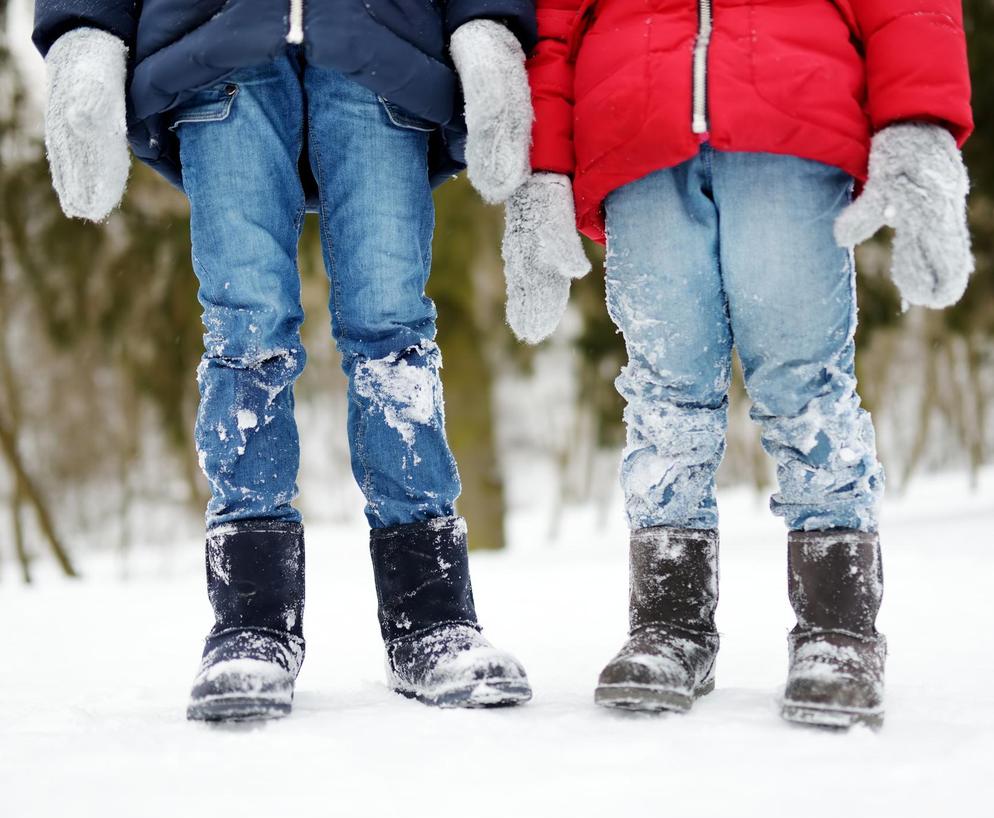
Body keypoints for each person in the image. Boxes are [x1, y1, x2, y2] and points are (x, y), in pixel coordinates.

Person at [32, 0, 538, 721]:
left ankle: (433, 621)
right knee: (246, 334)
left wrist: (487, 25)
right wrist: (86, 30)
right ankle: (251, 624)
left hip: (383, 43)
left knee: (391, 331)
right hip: (215, 45)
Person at [502, 0, 974, 728]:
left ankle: (838, 627)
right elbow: (552, 25)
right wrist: (542, 172)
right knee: (665, 397)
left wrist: (917, 125)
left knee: (804, 384)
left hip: (794, 120)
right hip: (632, 130)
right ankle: (670, 624)